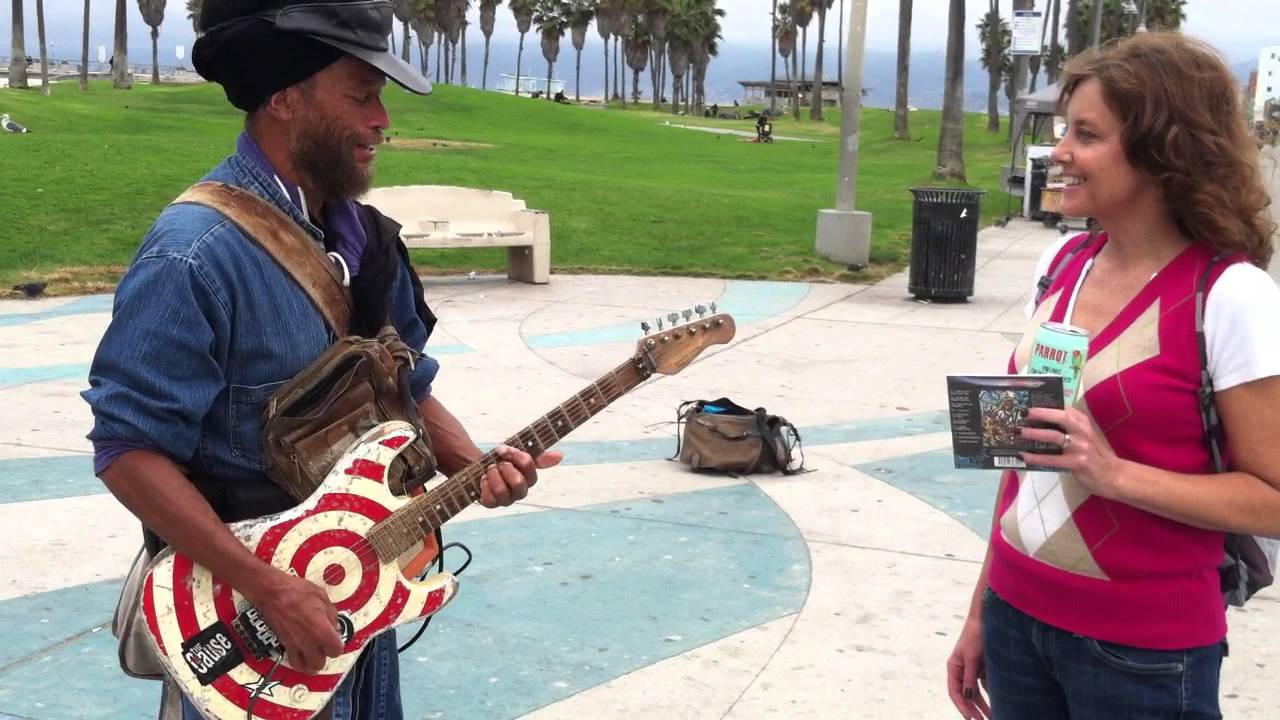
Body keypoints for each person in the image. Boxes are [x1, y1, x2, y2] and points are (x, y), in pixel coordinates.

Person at [81, 0, 562, 717]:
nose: (382, 121)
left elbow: (407, 388)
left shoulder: (366, 239)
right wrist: (270, 587)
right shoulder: (194, 255)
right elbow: (127, 450)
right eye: (361, 95)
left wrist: (474, 465)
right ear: (284, 98)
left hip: (360, 603)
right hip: (250, 624)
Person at [946, 33, 1280, 720]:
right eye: (1065, 130)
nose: (1058, 152)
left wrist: (1113, 472)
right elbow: (1027, 460)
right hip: (1016, 617)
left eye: (1086, 134)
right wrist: (982, 608)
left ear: (1164, 151)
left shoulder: (1229, 295)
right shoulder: (1062, 264)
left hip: (1141, 655)